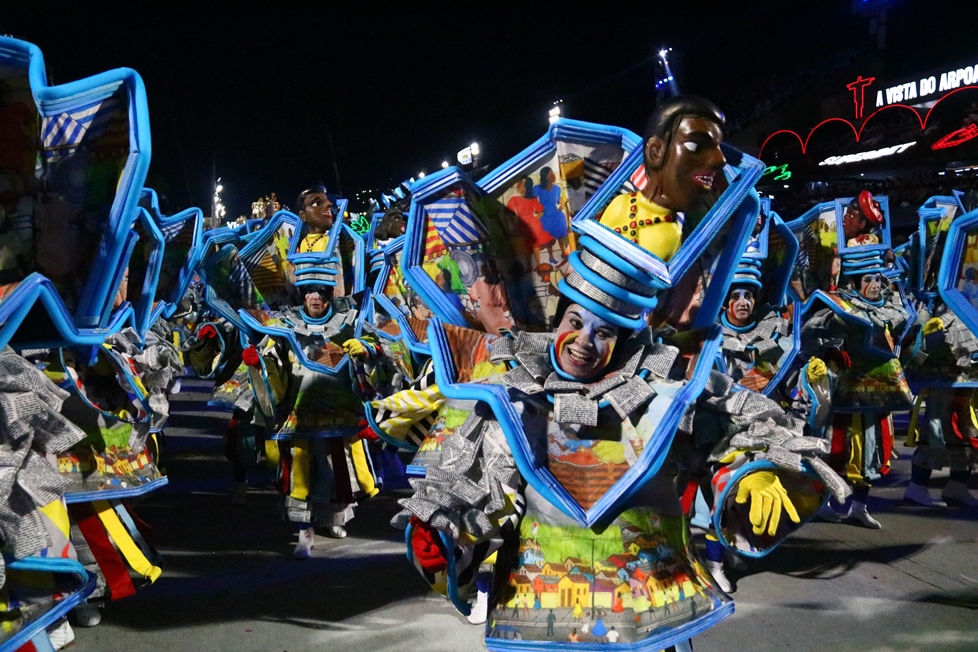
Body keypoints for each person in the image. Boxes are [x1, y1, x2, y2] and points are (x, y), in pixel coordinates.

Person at [599, 95, 726, 259]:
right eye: (695, 145)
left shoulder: (672, 234)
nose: (720, 160)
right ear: (656, 152)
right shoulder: (621, 203)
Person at [533, 166, 569, 264]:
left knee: (560, 234)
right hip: (545, 215)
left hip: (555, 213)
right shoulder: (538, 188)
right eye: (551, 174)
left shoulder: (557, 188)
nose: (554, 176)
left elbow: (559, 201)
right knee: (549, 237)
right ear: (545, 177)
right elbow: (533, 202)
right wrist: (538, 212)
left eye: (553, 174)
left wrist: (562, 206)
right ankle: (551, 256)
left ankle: (563, 252)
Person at [296, 185, 335, 253]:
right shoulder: (303, 243)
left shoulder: (334, 241)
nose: (329, 204)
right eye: (316, 204)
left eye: (327, 201)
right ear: (303, 215)